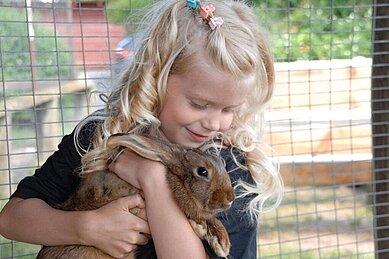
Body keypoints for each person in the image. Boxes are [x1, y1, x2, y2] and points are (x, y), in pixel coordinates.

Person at [0, 0, 283, 258]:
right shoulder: (101, 136)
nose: (213, 123)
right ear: (157, 76)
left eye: (228, 110)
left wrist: (153, 178)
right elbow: (12, 219)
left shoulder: (228, 167)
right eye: (199, 104)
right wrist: (86, 227)